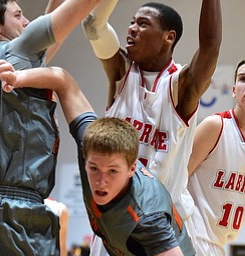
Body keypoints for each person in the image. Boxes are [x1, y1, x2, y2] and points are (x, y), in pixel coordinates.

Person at [0, 59, 196, 255]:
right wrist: (17, 78)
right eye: (94, 168)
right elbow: (64, 81)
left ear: (132, 169)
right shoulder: (89, 142)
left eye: (113, 171)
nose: (101, 181)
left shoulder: (149, 220)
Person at [0, 0, 105, 255]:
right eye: (18, 15)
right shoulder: (14, 53)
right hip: (17, 212)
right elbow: (72, 14)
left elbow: (49, 27)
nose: (27, 21)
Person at [81, 1, 221, 254]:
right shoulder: (121, 72)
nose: (131, 29)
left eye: (142, 24)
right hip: (116, 219)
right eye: (132, 22)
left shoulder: (182, 85)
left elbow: (210, 46)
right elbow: (93, 25)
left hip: (160, 225)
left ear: (169, 37)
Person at [187, 60, 245, 256]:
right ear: (234, 90)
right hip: (192, 237)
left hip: (218, 245)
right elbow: (175, 178)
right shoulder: (215, 126)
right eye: (243, 79)